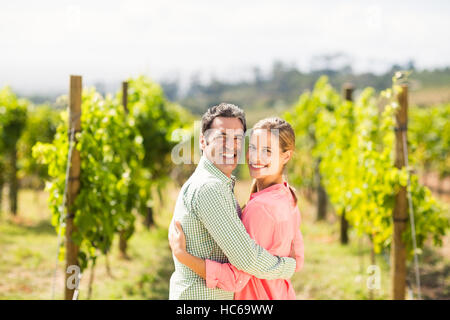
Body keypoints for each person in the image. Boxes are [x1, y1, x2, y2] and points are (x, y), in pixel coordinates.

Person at [168, 104, 298, 300]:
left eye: (237, 138)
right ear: (203, 141)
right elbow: (246, 259)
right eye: (222, 137)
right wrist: (289, 267)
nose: (231, 145)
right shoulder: (209, 189)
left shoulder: (221, 185)